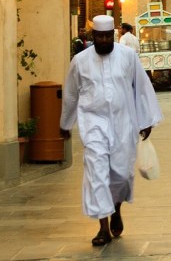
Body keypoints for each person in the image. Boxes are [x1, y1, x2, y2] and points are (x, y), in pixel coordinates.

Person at [60, 15, 163, 247]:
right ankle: (103, 228)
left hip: (123, 124)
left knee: (121, 175)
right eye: (100, 36)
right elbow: (71, 94)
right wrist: (66, 123)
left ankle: (116, 208)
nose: (104, 40)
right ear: (93, 36)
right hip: (93, 125)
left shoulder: (127, 56)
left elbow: (142, 87)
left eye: (108, 36)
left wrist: (146, 119)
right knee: (97, 174)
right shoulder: (80, 60)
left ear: (114, 35)